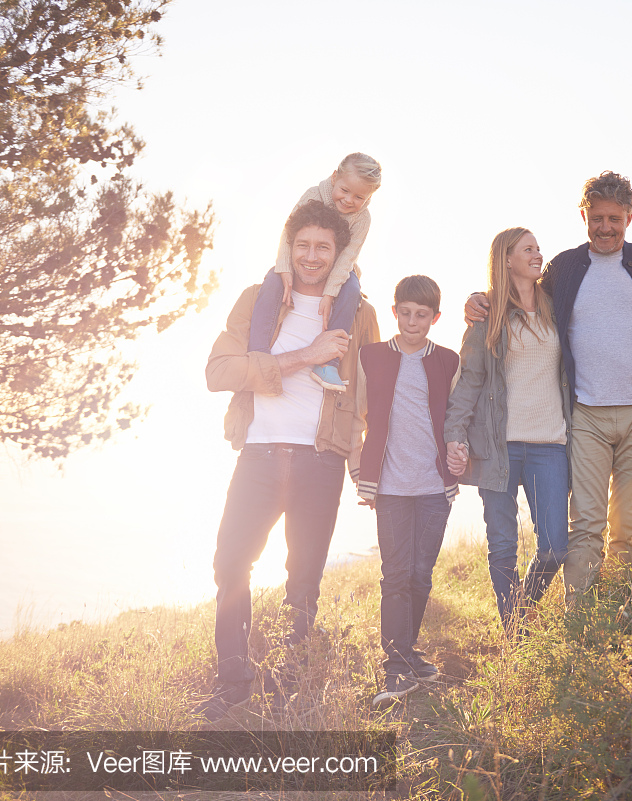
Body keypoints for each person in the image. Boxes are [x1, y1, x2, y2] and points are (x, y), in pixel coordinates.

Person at [200, 200, 381, 722]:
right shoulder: (257, 300)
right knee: (230, 562)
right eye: (302, 244)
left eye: (323, 246)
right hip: (258, 454)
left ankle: (293, 674)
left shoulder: (359, 311)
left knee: (303, 576)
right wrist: (307, 355)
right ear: (289, 246)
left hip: (320, 460)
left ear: (339, 252)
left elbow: (372, 391)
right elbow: (218, 372)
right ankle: (233, 680)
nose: (311, 255)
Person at [467, 171, 632, 604]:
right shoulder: (564, 268)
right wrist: (479, 300)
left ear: (629, 219)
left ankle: (624, 612)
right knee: (585, 525)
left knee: (629, 527)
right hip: (585, 417)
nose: (605, 227)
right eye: (596, 217)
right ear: (584, 215)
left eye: (614, 218)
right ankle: (580, 616)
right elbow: (520, 297)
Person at [445, 228, 574, 633]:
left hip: (549, 444)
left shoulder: (557, 308)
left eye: (538, 248)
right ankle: (515, 636)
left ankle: (523, 608)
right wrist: (455, 435)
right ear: (506, 260)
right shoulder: (488, 318)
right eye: (528, 249)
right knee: (503, 547)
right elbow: (466, 384)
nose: (538, 254)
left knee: (555, 546)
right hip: (497, 448)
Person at [350, 275, 460, 706]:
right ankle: (395, 667)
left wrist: (460, 449)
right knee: (394, 575)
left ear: (435, 318)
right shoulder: (371, 356)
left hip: (434, 485)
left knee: (420, 574)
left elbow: (457, 417)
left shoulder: (448, 361)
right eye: (406, 313)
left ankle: (407, 652)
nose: (413, 322)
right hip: (391, 485)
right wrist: (356, 462)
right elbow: (356, 411)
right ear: (394, 312)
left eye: (423, 315)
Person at [248, 152, 383, 391]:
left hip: (340, 266)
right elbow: (289, 233)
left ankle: (327, 364)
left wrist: (330, 293)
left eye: (359, 196)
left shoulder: (363, 219)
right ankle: (258, 352)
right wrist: (284, 268)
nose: (349, 200)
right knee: (272, 280)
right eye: (345, 190)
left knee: (352, 289)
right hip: (295, 259)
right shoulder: (314, 195)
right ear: (334, 178)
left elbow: (347, 258)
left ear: (369, 197)